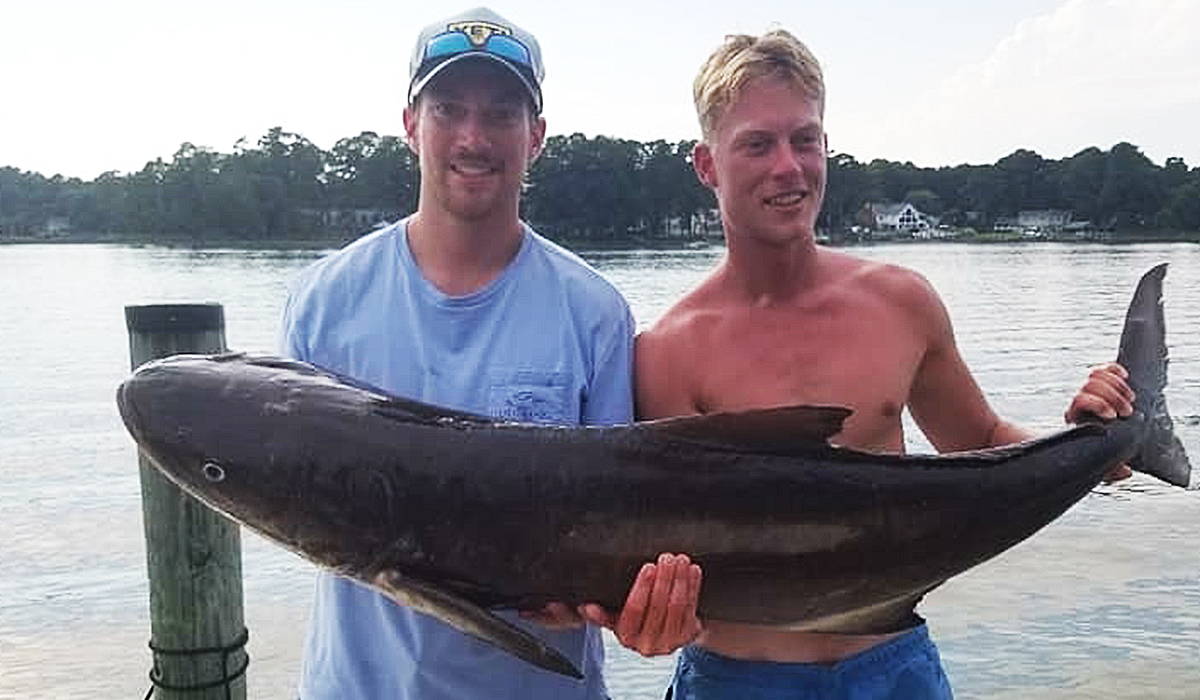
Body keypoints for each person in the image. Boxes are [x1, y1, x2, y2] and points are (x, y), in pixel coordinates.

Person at [633, 29, 1135, 700]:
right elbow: (665, 557)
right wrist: (645, 618)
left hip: (895, 671)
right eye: (757, 144)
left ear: (826, 148)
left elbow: (981, 442)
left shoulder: (902, 304)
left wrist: (1088, 440)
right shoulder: (667, 351)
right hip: (740, 678)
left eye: (804, 139)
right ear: (707, 165)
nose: (788, 166)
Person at [279, 7, 699, 699]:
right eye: (449, 108)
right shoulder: (322, 303)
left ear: (536, 136)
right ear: (411, 123)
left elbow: (628, 527)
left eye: (503, 113)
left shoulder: (594, 313)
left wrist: (647, 610)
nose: (474, 137)